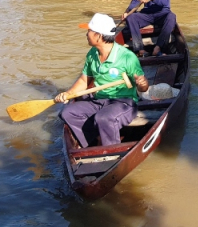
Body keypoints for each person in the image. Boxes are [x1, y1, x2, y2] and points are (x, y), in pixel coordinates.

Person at [55, 13, 149, 148]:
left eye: (89, 31)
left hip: (124, 103)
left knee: (104, 118)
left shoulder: (127, 57)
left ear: (99, 36)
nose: (86, 34)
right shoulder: (92, 54)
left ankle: (111, 152)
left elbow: (143, 88)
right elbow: (83, 81)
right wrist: (68, 94)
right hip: (98, 100)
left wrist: (143, 84)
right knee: (67, 113)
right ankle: (94, 142)